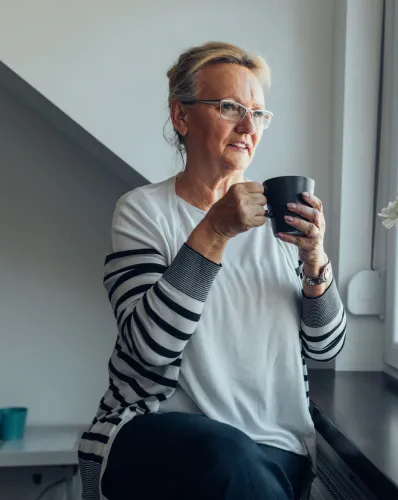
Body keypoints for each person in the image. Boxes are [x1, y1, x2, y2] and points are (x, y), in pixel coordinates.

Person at [77, 41, 347, 500]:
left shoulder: (278, 219)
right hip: (163, 435)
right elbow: (149, 348)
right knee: (225, 454)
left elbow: (325, 349)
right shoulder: (144, 212)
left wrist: (314, 260)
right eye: (229, 107)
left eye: (258, 114)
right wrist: (216, 230)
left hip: (277, 447)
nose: (248, 126)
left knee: (245, 465)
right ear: (181, 117)